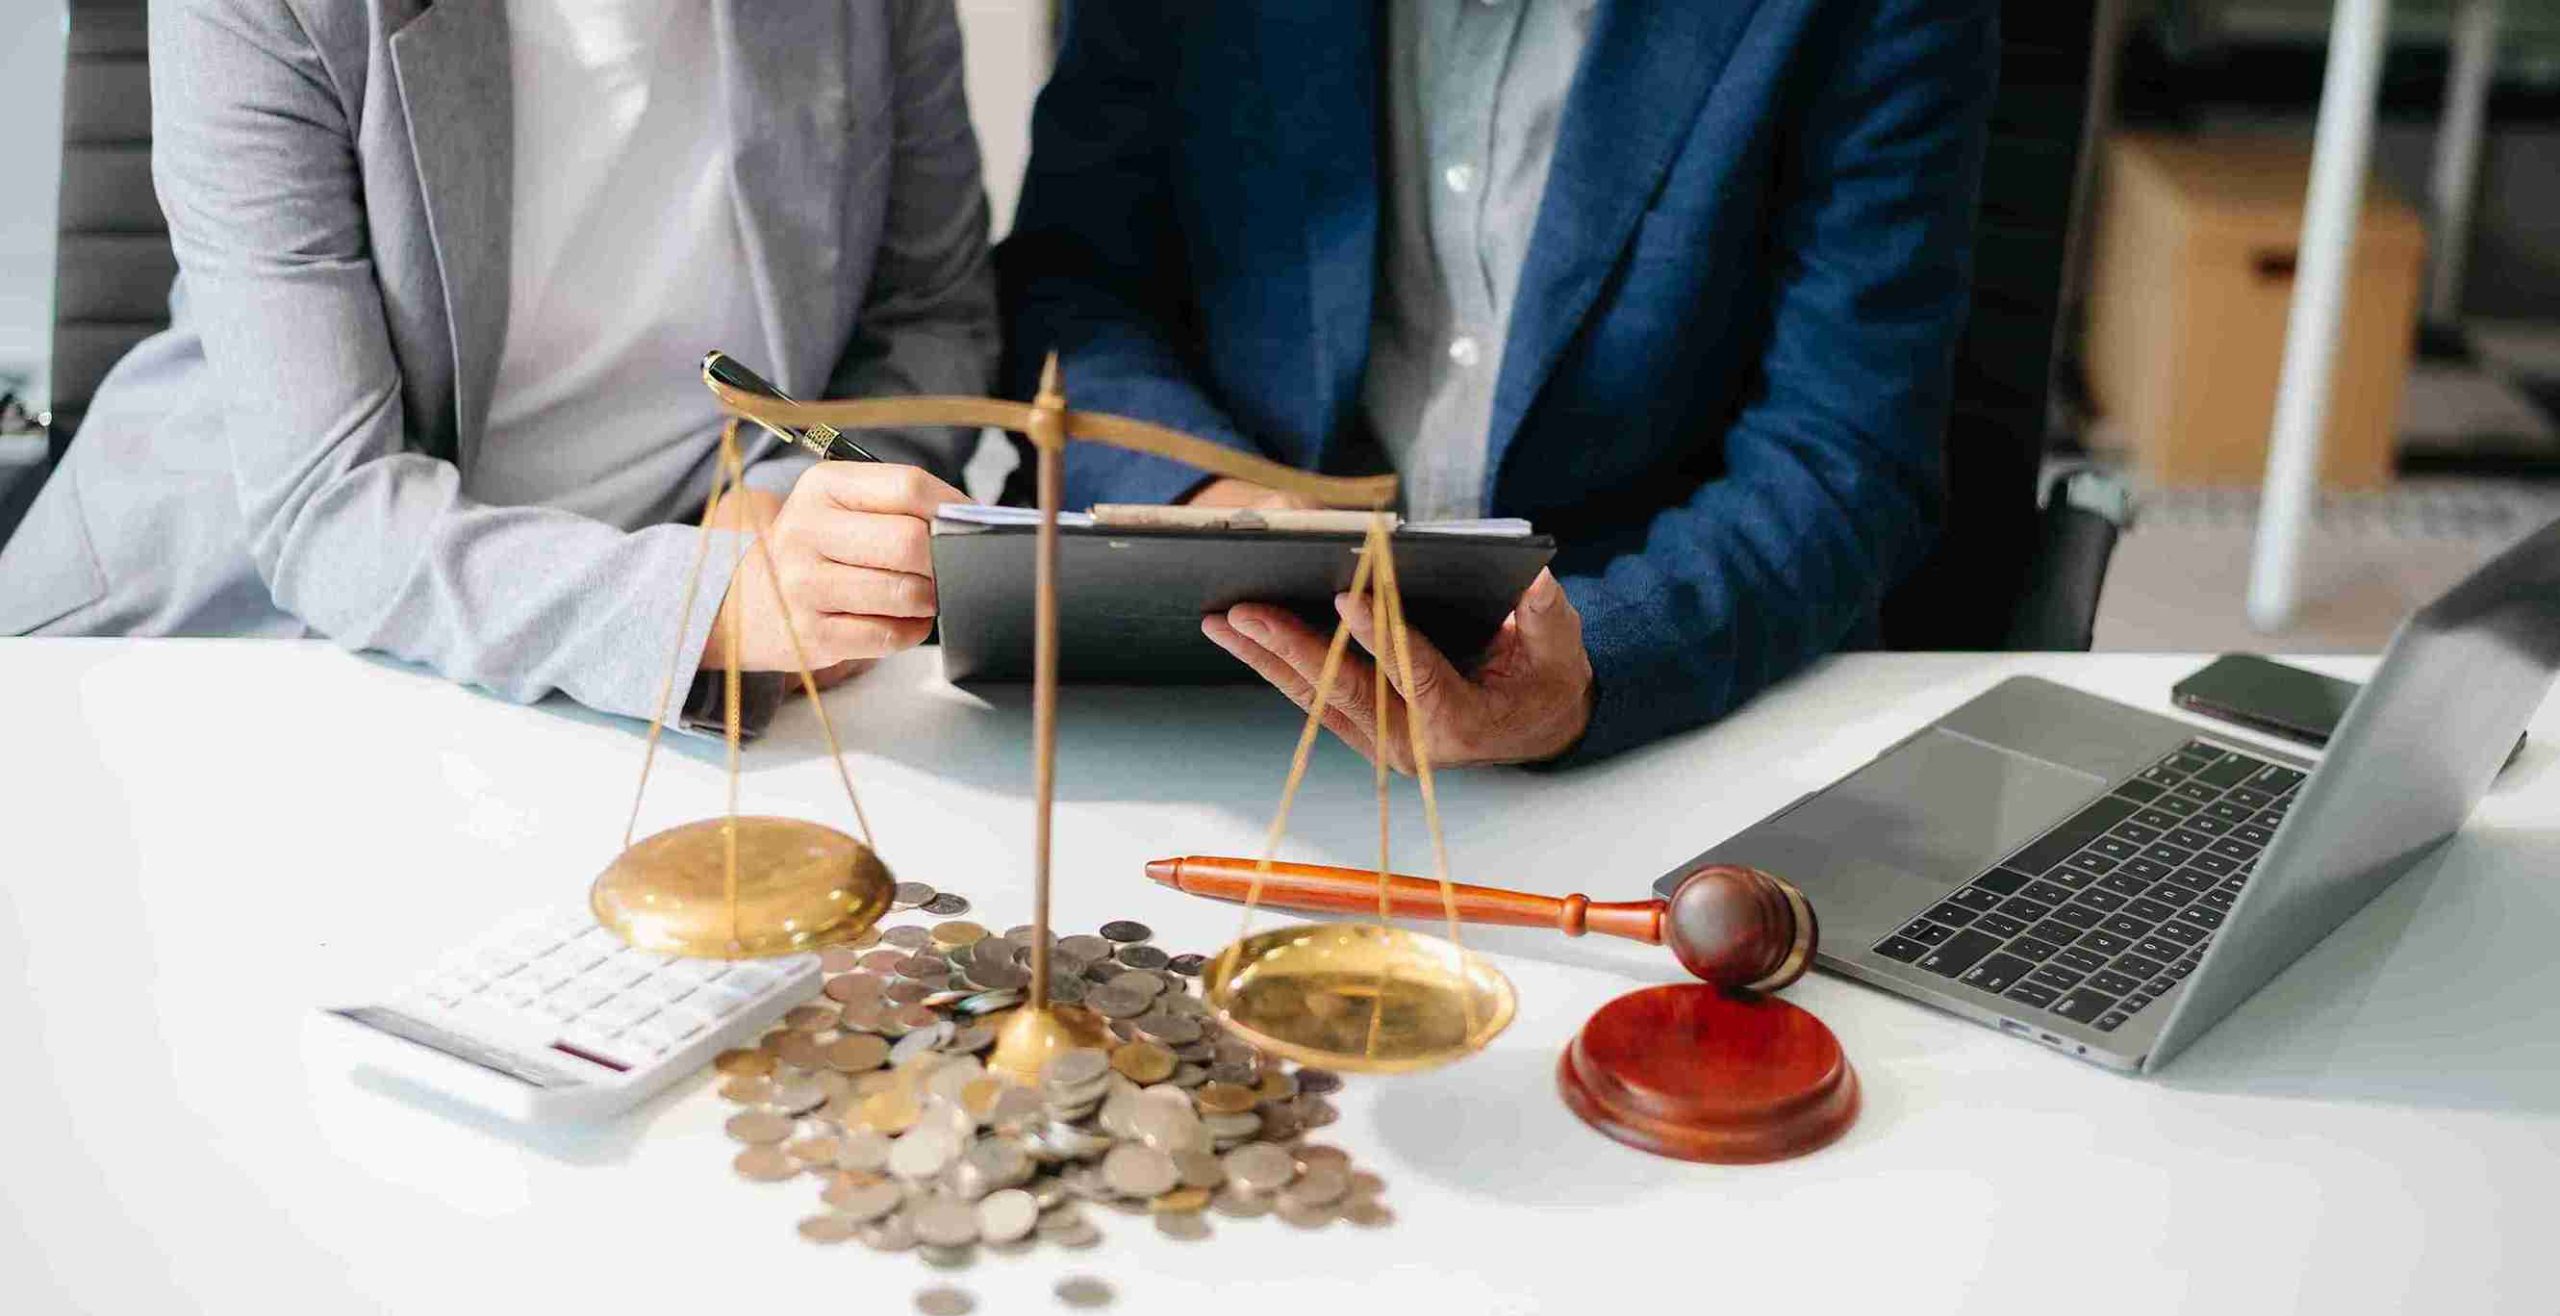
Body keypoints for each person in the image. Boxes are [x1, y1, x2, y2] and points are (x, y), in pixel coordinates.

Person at [998, 0, 1997, 764]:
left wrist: (1596, 663)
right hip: (1220, 680)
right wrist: (1214, 500)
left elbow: (1844, 453)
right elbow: (1074, 285)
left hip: (1649, 702)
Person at [0, 0, 996, 730]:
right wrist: (702, 603)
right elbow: (328, 507)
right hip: (241, 649)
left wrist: (770, 498)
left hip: (644, 690)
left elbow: (926, 311)